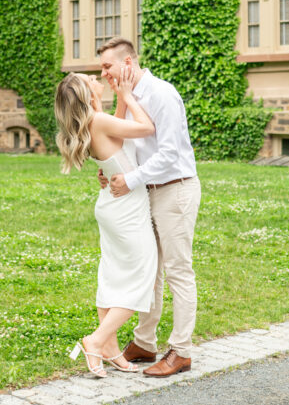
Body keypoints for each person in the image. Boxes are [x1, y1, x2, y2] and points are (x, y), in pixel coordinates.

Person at [97, 37, 200, 378]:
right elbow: (125, 142)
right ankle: (144, 341)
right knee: (148, 270)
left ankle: (181, 351)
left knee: (177, 272)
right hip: (146, 191)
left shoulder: (162, 94)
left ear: (128, 63)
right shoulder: (129, 98)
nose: (103, 73)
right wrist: (113, 170)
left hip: (175, 190)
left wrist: (129, 180)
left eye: (107, 66)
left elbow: (169, 153)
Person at [55, 65, 158, 378]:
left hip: (112, 205)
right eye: (88, 79)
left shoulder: (93, 119)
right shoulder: (97, 120)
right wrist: (126, 94)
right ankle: (95, 340)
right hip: (125, 207)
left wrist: (118, 98)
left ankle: (110, 350)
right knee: (142, 278)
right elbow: (145, 128)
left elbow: (119, 125)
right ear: (85, 94)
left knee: (113, 276)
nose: (93, 77)